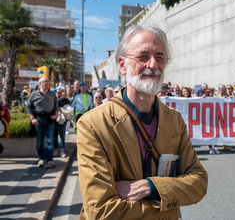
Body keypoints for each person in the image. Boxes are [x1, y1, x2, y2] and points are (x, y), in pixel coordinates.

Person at [76, 25, 208, 219]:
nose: (153, 64)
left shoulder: (174, 119)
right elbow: (101, 210)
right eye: (143, 56)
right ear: (122, 65)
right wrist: (167, 206)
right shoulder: (93, 124)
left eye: (160, 57)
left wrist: (151, 187)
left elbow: (198, 182)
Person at [27, 77, 58, 168]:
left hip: (50, 120)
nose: (47, 83)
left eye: (48, 81)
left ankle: (49, 160)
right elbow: (29, 107)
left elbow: (56, 106)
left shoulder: (52, 94)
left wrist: (56, 115)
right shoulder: (34, 94)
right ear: (40, 83)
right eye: (45, 81)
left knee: (50, 141)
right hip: (39, 120)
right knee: (39, 141)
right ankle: (41, 158)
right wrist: (33, 118)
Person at [56, 89, 70, 158]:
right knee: (54, 135)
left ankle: (62, 150)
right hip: (54, 119)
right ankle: (55, 148)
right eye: (58, 92)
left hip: (62, 119)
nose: (60, 94)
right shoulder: (55, 99)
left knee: (62, 134)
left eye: (61, 92)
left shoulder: (66, 100)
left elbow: (68, 108)